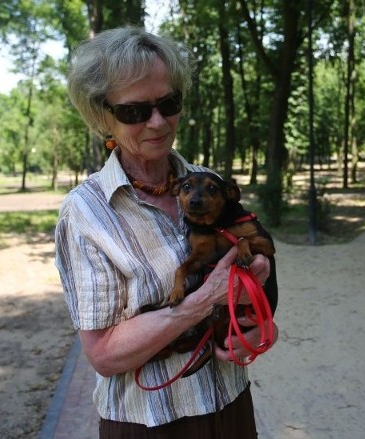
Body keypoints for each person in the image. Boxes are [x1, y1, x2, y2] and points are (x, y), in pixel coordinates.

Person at [54, 26, 279, 438]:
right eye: (135, 111)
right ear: (104, 116)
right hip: (148, 424)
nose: (157, 122)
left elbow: (257, 279)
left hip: (230, 405)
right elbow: (103, 355)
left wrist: (260, 324)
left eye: (168, 103)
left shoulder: (207, 185)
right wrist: (202, 300)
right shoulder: (85, 212)